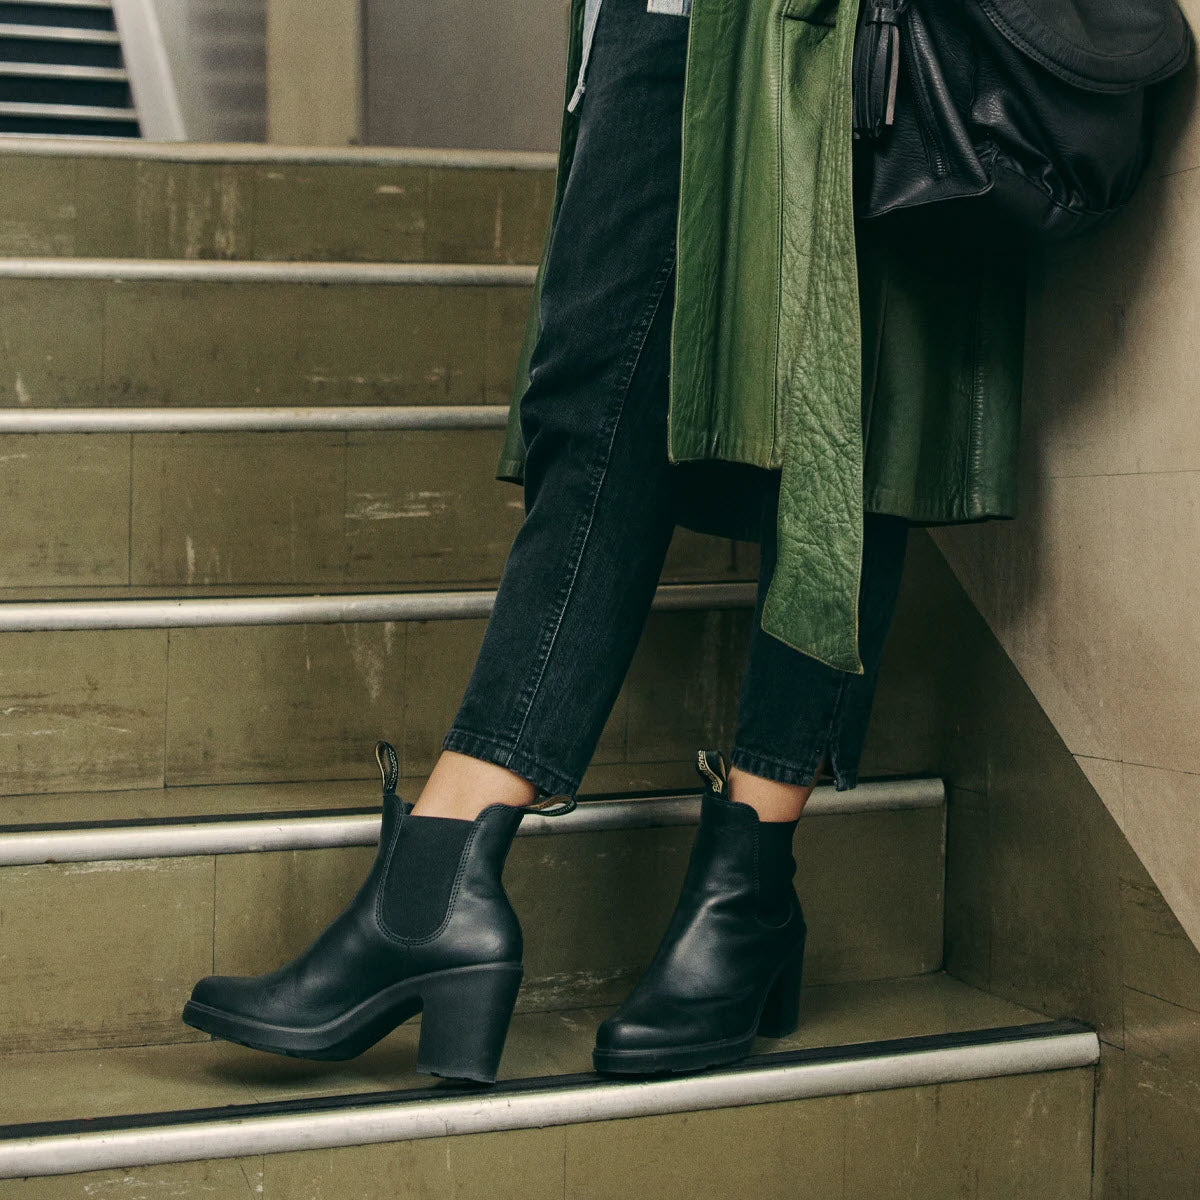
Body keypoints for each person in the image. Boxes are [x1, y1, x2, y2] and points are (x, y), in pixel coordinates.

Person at [181, 0, 1024, 1083]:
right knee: (596, 405)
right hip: (661, 22)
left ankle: (742, 884)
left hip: (849, 32)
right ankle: (443, 881)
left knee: (846, 418)